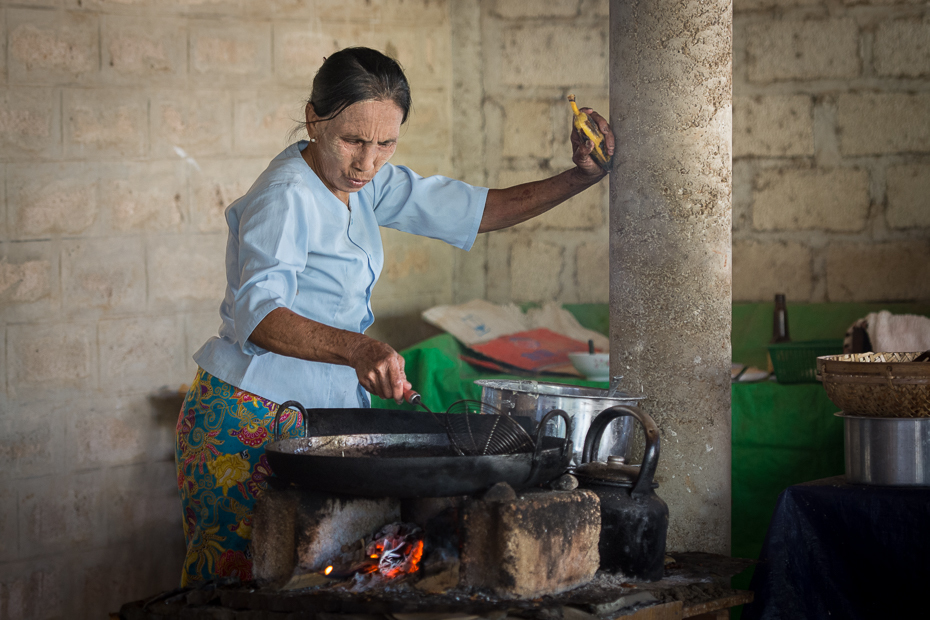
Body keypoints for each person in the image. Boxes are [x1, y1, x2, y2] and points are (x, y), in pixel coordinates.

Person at [175, 47, 614, 586]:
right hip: (247, 417)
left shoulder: (365, 184)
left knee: (308, 582)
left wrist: (580, 178)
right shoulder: (286, 195)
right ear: (315, 118)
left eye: (386, 143)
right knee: (237, 586)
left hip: (312, 416)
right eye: (353, 140)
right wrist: (360, 349)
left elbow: (477, 211)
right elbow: (260, 316)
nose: (368, 161)